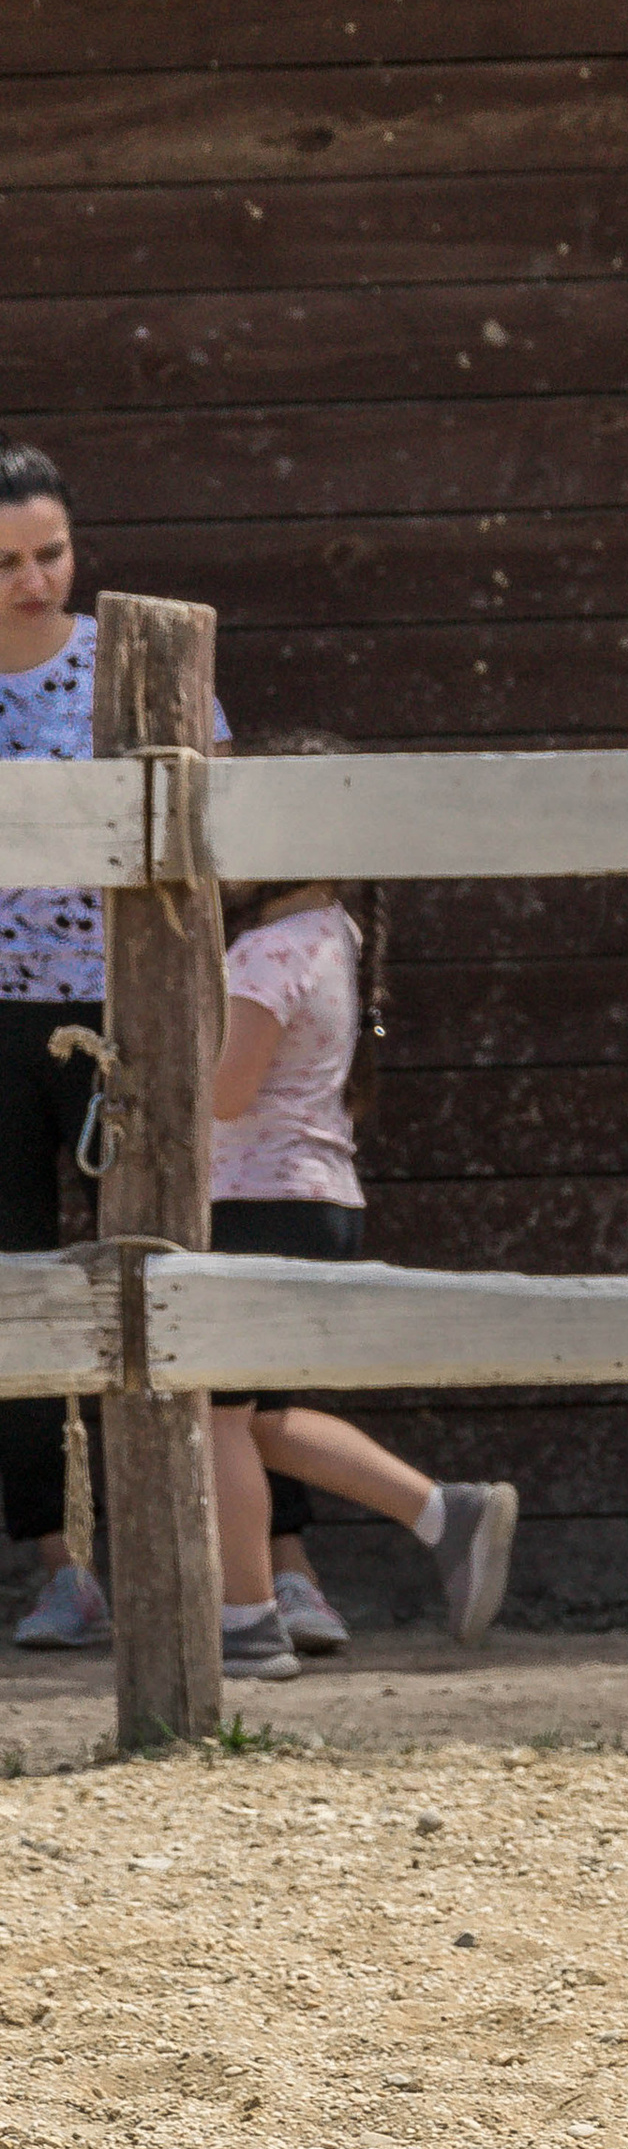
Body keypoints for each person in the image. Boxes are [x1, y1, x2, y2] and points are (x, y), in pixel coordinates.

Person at [0, 444, 231, 1648]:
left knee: (159, 1264)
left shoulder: (122, 666)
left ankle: (199, 1565)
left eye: (52, 553)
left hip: (120, 1010)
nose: (34, 581)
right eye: (7, 562)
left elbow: (210, 808)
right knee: (13, 1282)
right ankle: (60, 1561)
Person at [208, 831, 519, 1681]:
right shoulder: (334, 934)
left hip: (255, 1202)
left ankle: (248, 1622)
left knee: (215, 1418)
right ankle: (443, 1513)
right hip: (315, 1201)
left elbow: (227, 1093)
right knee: (257, 1418)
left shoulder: (267, 952)